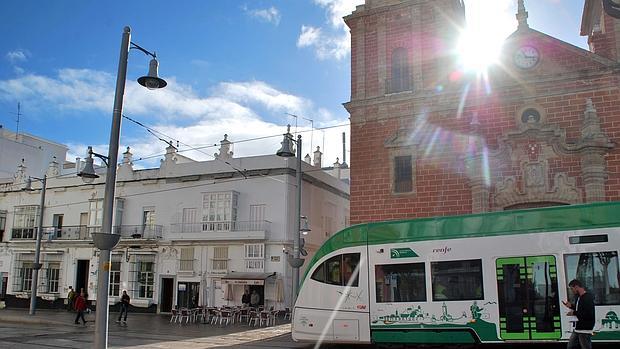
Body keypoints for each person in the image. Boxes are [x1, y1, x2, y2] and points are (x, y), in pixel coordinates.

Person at [562, 279, 595, 349]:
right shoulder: (579, 297)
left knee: (585, 346)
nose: (572, 290)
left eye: (572, 288)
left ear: (576, 287)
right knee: (571, 346)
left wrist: (574, 312)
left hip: (585, 328)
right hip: (579, 327)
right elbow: (580, 309)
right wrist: (571, 306)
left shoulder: (587, 298)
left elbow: (588, 313)